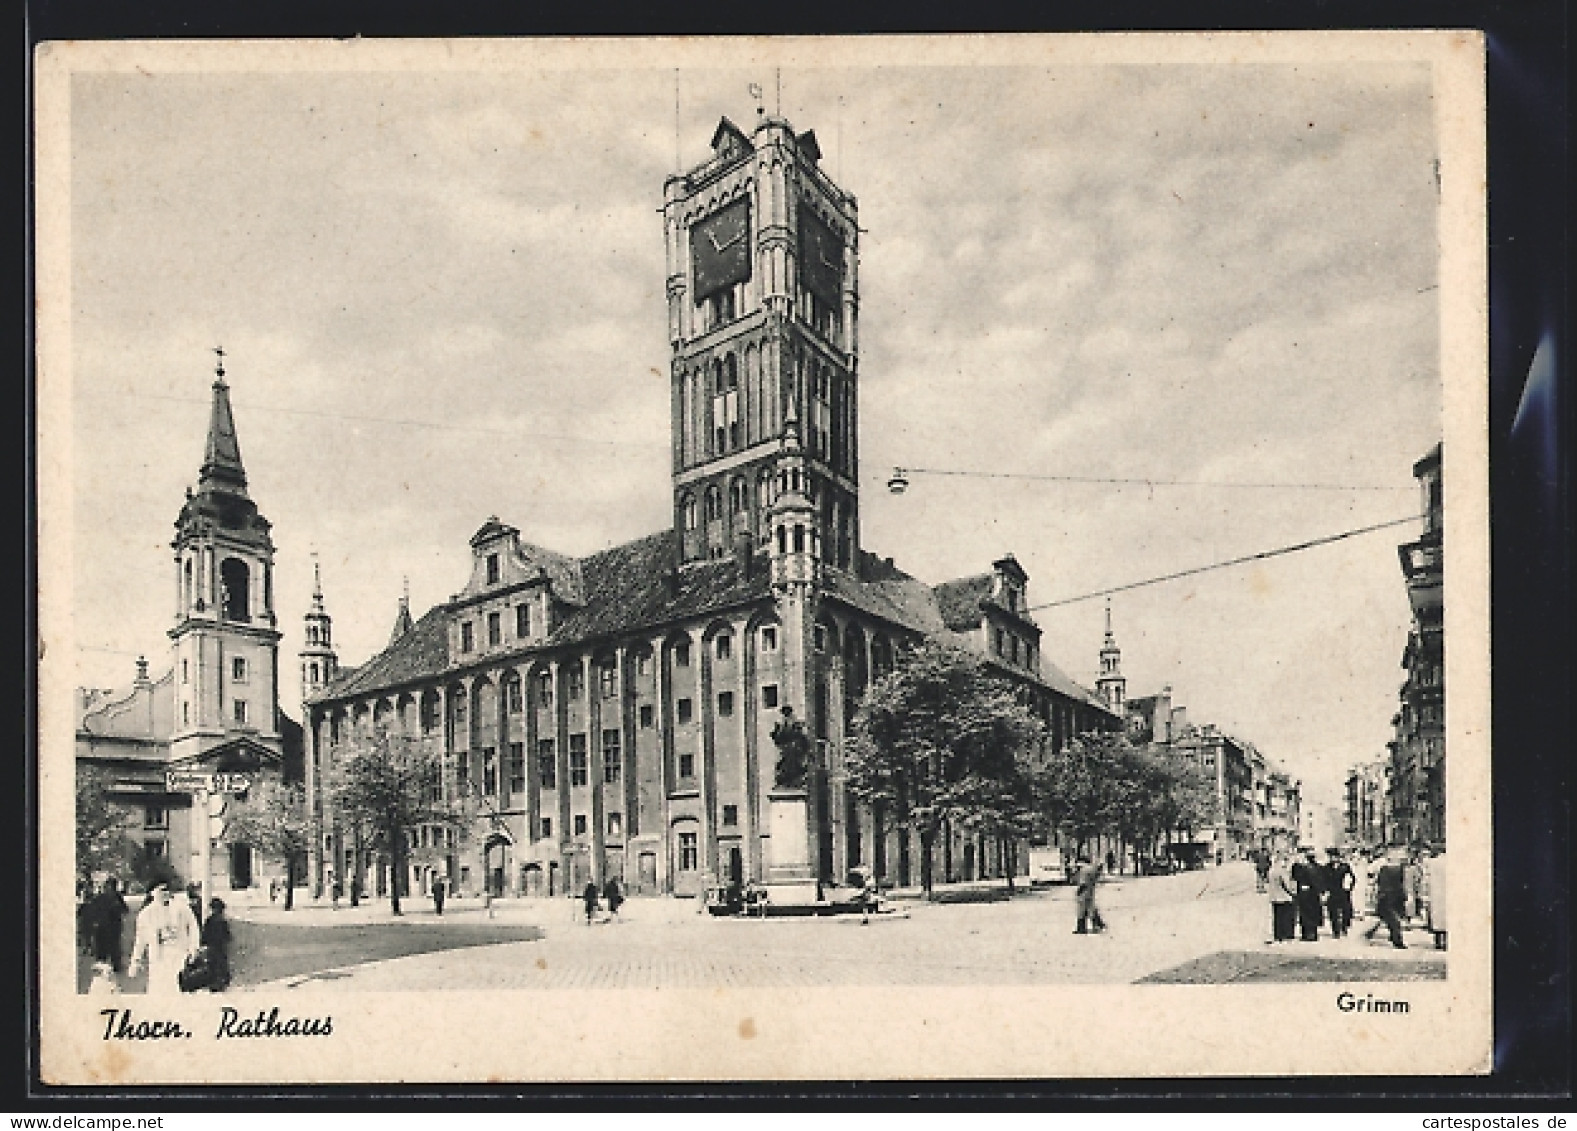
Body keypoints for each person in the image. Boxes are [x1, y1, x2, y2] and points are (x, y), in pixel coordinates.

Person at [127, 882, 200, 995]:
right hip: (158, 957)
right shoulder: (146, 914)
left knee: (177, 988)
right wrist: (135, 962)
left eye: (166, 890)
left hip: (178, 953)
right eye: (160, 890)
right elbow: (140, 940)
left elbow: (193, 928)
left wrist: (193, 949)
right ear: (152, 893)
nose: (164, 893)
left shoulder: (181, 908)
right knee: (159, 989)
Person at [83, 876, 129, 975]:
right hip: (112, 927)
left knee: (103, 947)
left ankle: (103, 964)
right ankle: (115, 965)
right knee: (114, 946)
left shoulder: (100, 897)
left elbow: (92, 912)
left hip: (103, 927)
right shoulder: (116, 897)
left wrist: (93, 924)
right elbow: (125, 910)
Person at [1364, 848, 1409, 949]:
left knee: (1388, 918)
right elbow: (1401, 884)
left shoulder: (1386, 869)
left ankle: (1370, 933)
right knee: (1393, 920)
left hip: (1388, 896)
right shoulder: (1398, 869)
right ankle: (1397, 940)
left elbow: (1380, 882)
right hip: (1391, 896)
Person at [1290, 847, 1325, 942]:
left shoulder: (1303, 868)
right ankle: (1313, 933)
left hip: (1305, 894)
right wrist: (1321, 891)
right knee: (1313, 913)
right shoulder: (1319, 868)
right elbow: (1322, 881)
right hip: (1314, 894)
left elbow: (1295, 876)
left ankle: (1307, 934)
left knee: (1305, 914)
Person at [200, 897, 232, 992]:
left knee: (213, 965)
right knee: (220, 965)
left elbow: (205, 935)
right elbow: (227, 936)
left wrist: (204, 944)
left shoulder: (209, 921)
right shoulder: (222, 921)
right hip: (220, 947)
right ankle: (220, 983)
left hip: (212, 947)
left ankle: (215, 983)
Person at [1323, 849, 1355, 939]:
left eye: (1335, 856)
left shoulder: (1345, 867)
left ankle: (1344, 927)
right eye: (1331, 857)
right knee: (1332, 912)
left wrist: (1349, 888)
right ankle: (1335, 931)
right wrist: (1325, 891)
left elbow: (1352, 878)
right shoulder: (1326, 868)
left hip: (1343, 892)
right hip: (1332, 892)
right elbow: (1323, 880)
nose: (1333, 858)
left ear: (1338, 857)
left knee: (1346, 911)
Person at [1267, 851, 1297, 943]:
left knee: (1277, 917)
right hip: (1284, 897)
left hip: (1274, 897)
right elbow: (1287, 885)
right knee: (1286, 917)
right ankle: (1286, 935)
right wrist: (1293, 893)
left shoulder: (1272, 870)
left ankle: (1278, 935)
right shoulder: (1282, 871)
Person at [1072, 856, 1106, 934]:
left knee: (1081, 911)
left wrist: (1078, 891)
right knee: (1091, 908)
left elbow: (1082, 883)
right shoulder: (1091, 869)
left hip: (1083, 892)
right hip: (1090, 890)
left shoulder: (1083, 871)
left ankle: (1081, 928)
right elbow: (1097, 876)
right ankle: (1099, 925)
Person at [1425, 847, 1448, 950]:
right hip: (1447, 892)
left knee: (1437, 917)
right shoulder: (1452, 862)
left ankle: (1438, 941)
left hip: (1435, 892)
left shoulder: (1432, 863)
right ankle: (1447, 941)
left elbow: (1427, 878)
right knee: (1447, 916)